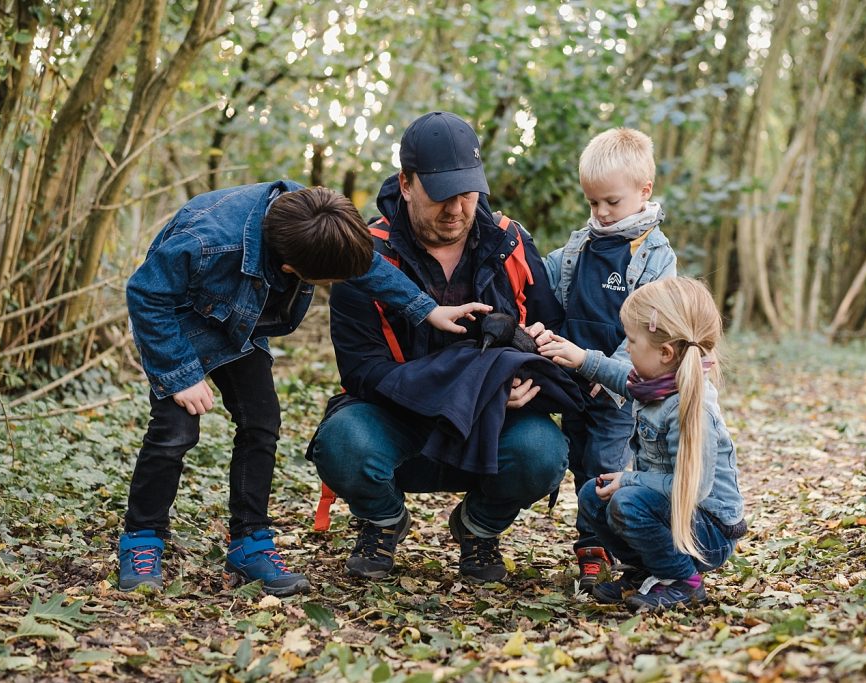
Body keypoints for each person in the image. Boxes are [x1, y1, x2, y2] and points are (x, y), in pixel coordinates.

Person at [120, 182, 489, 595]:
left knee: (261, 423)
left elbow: (364, 264)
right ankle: (142, 539)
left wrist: (428, 310)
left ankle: (250, 543)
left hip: (237, 321)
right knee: (175, 432)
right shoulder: (209, 242)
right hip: (177, 321)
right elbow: (146, 294)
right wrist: (182, 374)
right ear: (291, 269)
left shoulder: (318, 219)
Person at [308, 111, 570, 582]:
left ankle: (478, 527)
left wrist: (522, 374)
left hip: (493, 425)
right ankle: (383, 520)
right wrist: (459, 388)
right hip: (395, 421)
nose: (456, 210)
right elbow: (361, 371)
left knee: (543, 452)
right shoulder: (365, 255)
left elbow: (550, 335)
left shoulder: (511, 244)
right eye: (441, 196)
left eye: (467, 195)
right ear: (407, 184)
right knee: (343, 443)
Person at [536, 277, 747, 611]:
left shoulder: (689, 407)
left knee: (627, 501)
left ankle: (684, 582)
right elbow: (622, 378)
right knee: (593, 494)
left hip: (709, 530)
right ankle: (646, 571)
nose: (627, 346)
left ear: (665, 353)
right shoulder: (657, 383)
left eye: (632, 340)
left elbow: (693, 489)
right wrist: (580, 359)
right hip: (674, 515)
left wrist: (629, 479)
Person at [541, 128, 677, 590]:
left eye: (611, 203)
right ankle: (596, 541)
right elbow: (542, 280)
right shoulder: (580, 247)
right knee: (577, 457)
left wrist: (610, 367)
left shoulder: (655, 256)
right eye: (592, 203)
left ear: (644, 192)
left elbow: (652, 327)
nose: (600, 213)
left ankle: (603, 548)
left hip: (618, 387)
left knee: (605, 464)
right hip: (573, 378)